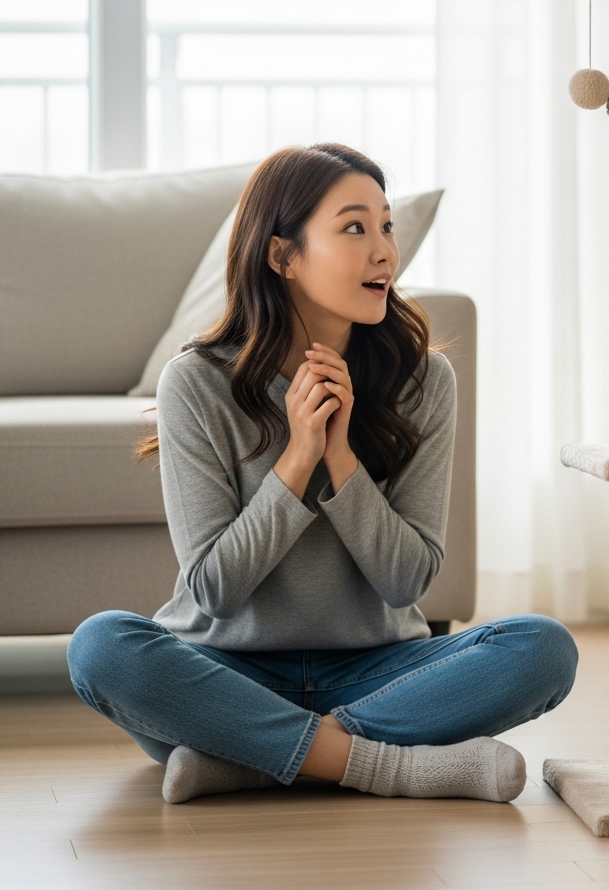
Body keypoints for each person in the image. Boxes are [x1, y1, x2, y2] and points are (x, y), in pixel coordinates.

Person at [66, 143, 578, 805]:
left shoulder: (425, 380)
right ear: (282, 256)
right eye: (355, 227)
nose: (384, 251)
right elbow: (215, 592)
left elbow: (406, 582)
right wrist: (298, 458)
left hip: (376, 671)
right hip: (224, 671)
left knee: (544, 649)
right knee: (101, 647)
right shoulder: (194, 383)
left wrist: (341, 460)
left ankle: (249, 761)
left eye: (386, 226)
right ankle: (385, 766)